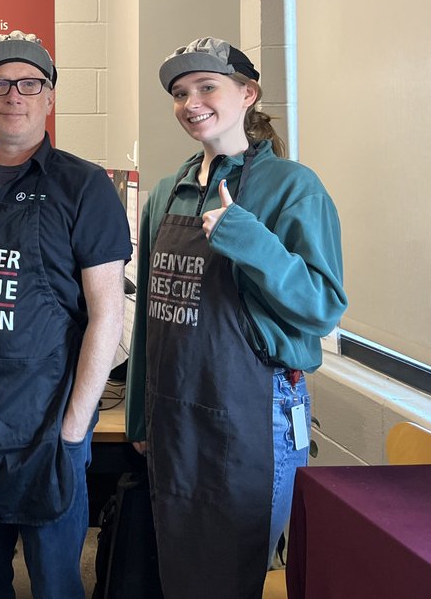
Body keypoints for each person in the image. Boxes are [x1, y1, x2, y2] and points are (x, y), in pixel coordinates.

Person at [125, 36, 348, 598]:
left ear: (247, 94)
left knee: (235, 576)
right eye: (180, 92)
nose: (191, 101)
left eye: (207, 86)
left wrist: (251, 240)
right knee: (181, 573)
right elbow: (152, 317)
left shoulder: (294, 187)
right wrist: (139, 416)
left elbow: (322, 307)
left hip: (255, 413)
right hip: (175, 415)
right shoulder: (165, 194)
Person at [0, 31, 130, 599]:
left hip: (46, 426)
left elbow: (109, 313)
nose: (15, 95)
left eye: (30, 83)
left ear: (50, 97)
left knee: (55, 585)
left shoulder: (85, 187)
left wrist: (74, 425)